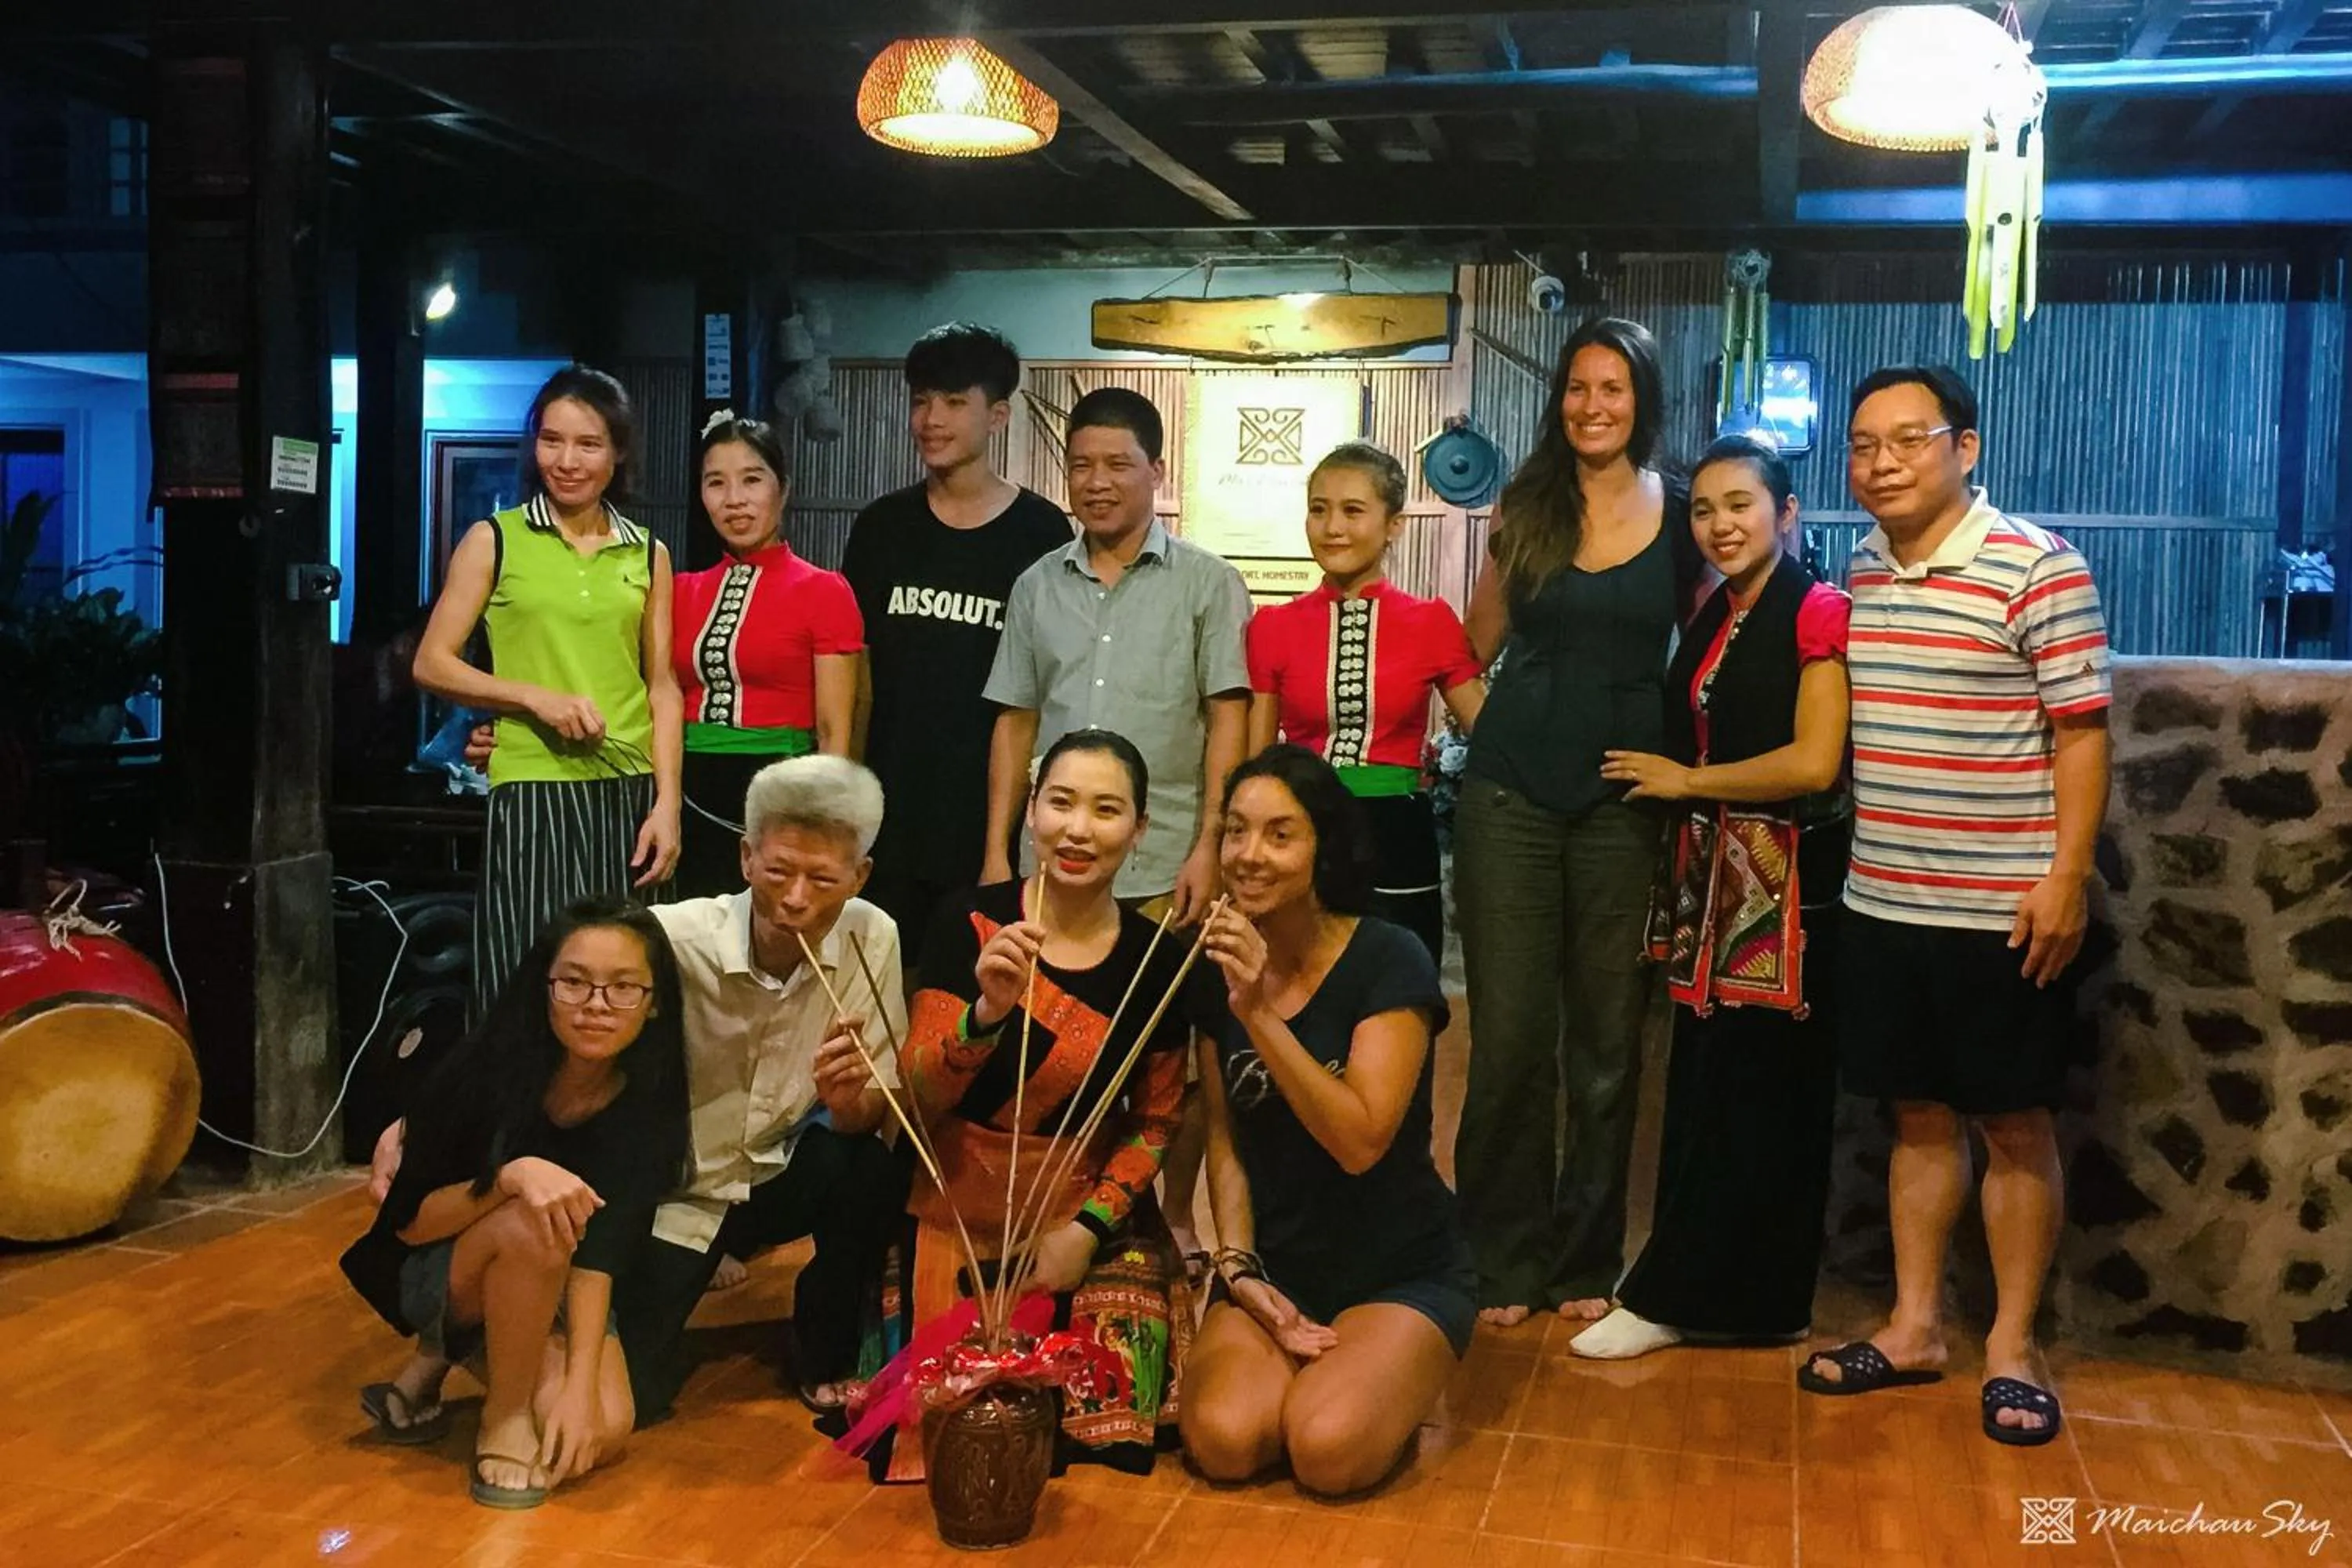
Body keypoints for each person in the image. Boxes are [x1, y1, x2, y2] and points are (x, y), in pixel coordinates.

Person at [1796, 366, 2110, 1449]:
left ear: (1964, 449)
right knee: (1919, 1117)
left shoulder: (2039, 564)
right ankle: (1916, 1325)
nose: (1880, 463)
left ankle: (2013, 1345)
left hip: (2003, 908)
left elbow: (2081, 731)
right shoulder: (1861, 567)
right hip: (1883, 898)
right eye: (1862, 445)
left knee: (2015, 1124)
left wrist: (2067, 875)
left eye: (1907, 440)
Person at [1569, 434, 1851, 1359]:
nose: (1721, 524)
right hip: (1718, 882)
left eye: (1741, 504)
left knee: (1762, 1094)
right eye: (1703, 509)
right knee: (1708, 1084)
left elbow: (1814, 761)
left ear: (1787, 512)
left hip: (1784, 888)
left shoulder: (1817, 612)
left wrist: (1686, 783)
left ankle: (1727, 1297)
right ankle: (1691, 1283)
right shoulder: (1720, 610)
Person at [1452, 317, 1702, 1327]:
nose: (1591, 406)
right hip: (1507, 802)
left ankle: (1585, 1259)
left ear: (1643, 400)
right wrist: (1502, 734)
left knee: (1607, 1044)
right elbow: (1468, 650)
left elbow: (1719, 642)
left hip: (1623, 808)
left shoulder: (1683, 512)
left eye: (1613, 388)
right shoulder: (1528, 503)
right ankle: (1499, 1259)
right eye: (1577, 387)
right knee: (1511, 1038)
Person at [883, 728, 1209, 1479]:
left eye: (1106, 810)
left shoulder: (1159, 961)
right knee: (948, 1417)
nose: (1078, 830)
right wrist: (985, 1017)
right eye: (1061, 803)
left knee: (1105, 1419)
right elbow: (921, 1095)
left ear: (1140, 829)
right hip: (953, 1202)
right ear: (1030, 810)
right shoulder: (969, 922)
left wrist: (1086, 1232)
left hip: (1079, 1205)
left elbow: (1156, 1119)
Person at [1180, 746, 1472, 1497]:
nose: (1250, 855)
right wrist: (1238, 1268)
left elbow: (1360, 1141)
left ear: (1323, 848)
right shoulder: (1214, 965)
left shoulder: (1389, 958)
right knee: (1224, 1440)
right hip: (1280, 1266)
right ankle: (1320, 1373)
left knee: (1326, 1448)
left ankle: (1390, 1371)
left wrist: (1258, 1013)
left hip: (1398, 1267)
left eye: (1280, 835)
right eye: (1235, 831)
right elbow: (1224, 1139)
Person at [341, 900, 691, 1508]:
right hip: (440, 1267)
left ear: (654, 1001)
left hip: (555, 1276)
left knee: (602, 1429)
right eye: (574, 982)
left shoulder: (648, 1098)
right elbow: (408, 1224)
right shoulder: (483, 1068)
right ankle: (501, 1418)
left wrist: (579, 1386)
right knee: (535, 1223)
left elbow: (600, 1259)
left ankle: (438, 1360)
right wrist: (508, 1179)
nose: (596, 1004)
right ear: (544, 986)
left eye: (623, 987)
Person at [619, 753, 913, 1421]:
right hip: (674, 1188)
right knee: (635, 1399)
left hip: (773, 1174)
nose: (797, 899)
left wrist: (849, 1103)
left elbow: (875, 1109)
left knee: (868, 1167)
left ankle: (824, 1346)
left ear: (861, 875)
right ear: (746, 858)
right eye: (778, 872)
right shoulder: (672, 939)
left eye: (824, 879)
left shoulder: (873, 937)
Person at [412, 365, 683, 1019]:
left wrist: (668, 804)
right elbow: (431, 663)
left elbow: (662, 687)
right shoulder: (495, 539)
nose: (567, 461)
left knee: (623, 984)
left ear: (618, 453)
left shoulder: (647, 553)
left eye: (588, 444)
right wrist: (533, 698)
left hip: (628, 791)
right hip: (533, 785)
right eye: (551, 440)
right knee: (525, 978)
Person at [841, 325, 1073, 968]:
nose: (931, 419)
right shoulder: (882, 526)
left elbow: (1041, 692)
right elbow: (857, 678)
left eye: (951, 402)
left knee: (975, 993)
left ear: (997, 416)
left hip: (987, 825)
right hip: (887, 813)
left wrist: (1009, 836)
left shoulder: (1041, 533)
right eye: (920, 401)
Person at [981, 386, 1253, 923]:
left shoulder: (1209, 583)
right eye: (1081, 466)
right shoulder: (1036, 585)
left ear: (1157, 472)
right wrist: (995, 853)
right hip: (1050, 865)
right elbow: (1016, 721)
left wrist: (1212, 845)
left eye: (1117, 465)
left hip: (1165, 867)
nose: (1096, 482)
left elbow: (1228, 720)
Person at [1244, 441, 1485, 966]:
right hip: (1301, 828)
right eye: (1319, 509)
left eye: (1353, 511)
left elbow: (1491, 738)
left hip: (1398, 834)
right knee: (1298, 982)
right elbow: (1257, 765)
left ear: (1394, 525)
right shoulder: (1272, 626)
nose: (1333, 527)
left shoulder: (1430, 621)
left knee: (1401, 983)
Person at [672, 410, 862, 898]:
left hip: (783, 795)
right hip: (686, 796)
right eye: (716, 483)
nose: (734, 499)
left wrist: (825, 824)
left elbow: (834, 731)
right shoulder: (679, 590)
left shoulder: (824, 591)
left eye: (752, 480)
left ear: (784, 489)